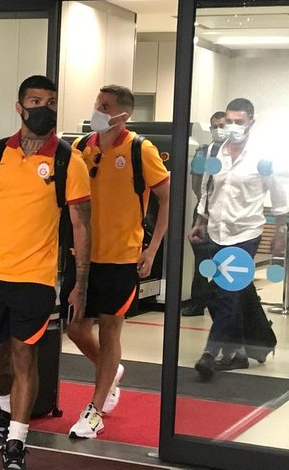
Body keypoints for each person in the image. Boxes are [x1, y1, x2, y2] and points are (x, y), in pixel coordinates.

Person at [0, 75, 91, 470]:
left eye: (51, 101)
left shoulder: (69, 161)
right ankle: (3, 412)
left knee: (24, 355)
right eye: (35, 101)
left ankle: (17, 440)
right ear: (19, 107)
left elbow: (82, 225)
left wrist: (80, 284)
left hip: (36, 277)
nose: (44, 108)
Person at [67, 85, 170, 438]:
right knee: (76, 328)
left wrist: (152, 249)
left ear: (123, 114)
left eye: (106, 106)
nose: (98, 110)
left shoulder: (141, 149)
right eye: (97, 104)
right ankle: (112, 371)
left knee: (110, 329)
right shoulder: (82, 147)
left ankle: (94, 411)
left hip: (121, 258)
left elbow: (167, 198)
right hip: (83, 257)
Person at [189, 98, 287, 379]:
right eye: (229, 121)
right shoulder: (215, 152)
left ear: (251, 123)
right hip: (217, 232)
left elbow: (279, 198)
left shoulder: (262, 157)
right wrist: (199, 221)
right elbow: (207, 191)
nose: (232, 127)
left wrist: (280, 233)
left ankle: (211, 353)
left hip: (246, 234)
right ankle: (255, 343)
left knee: (227, 293)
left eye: (239, 122)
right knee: (228, 294)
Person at [183, 111, 227, 317]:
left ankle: (220, 301)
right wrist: (206, 206)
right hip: (205, 211)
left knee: (224, 259)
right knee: (201, 258)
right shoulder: (203, 153)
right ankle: (198, 302)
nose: (218, 130)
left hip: (227, 213)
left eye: (222, 125)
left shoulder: (234, 153)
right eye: (215, 126)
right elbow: (196, 184)